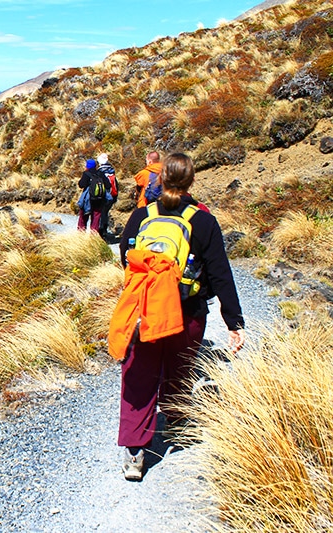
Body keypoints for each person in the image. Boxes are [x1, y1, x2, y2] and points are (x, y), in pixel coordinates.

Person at [114, 153, 245, 481]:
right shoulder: (203, 220)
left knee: (138, 376)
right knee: (179, 370)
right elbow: (220, 274)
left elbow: (126, 257)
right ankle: (176, 423)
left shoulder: (141, 215)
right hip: (186, 313)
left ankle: (134, 452)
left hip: (145, 313)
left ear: (159, 180)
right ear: (191, 181)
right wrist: (234, 321)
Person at [76, 159, 110, 233]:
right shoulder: (100, 173)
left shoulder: (86, 173)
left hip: (88, 199)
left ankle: (81, 235)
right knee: (96, 217)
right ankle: (93, 236)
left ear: (87, 166)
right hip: (99, 199)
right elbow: (108, 185)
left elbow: (81, 185)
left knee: (83, 217)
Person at [97, 153, 118, 238]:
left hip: (102, 196)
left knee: (100, 213)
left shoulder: (100, 172)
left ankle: (100, 232)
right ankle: (104, 231)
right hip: (111, 196)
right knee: (105, 213)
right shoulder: (112, 171)